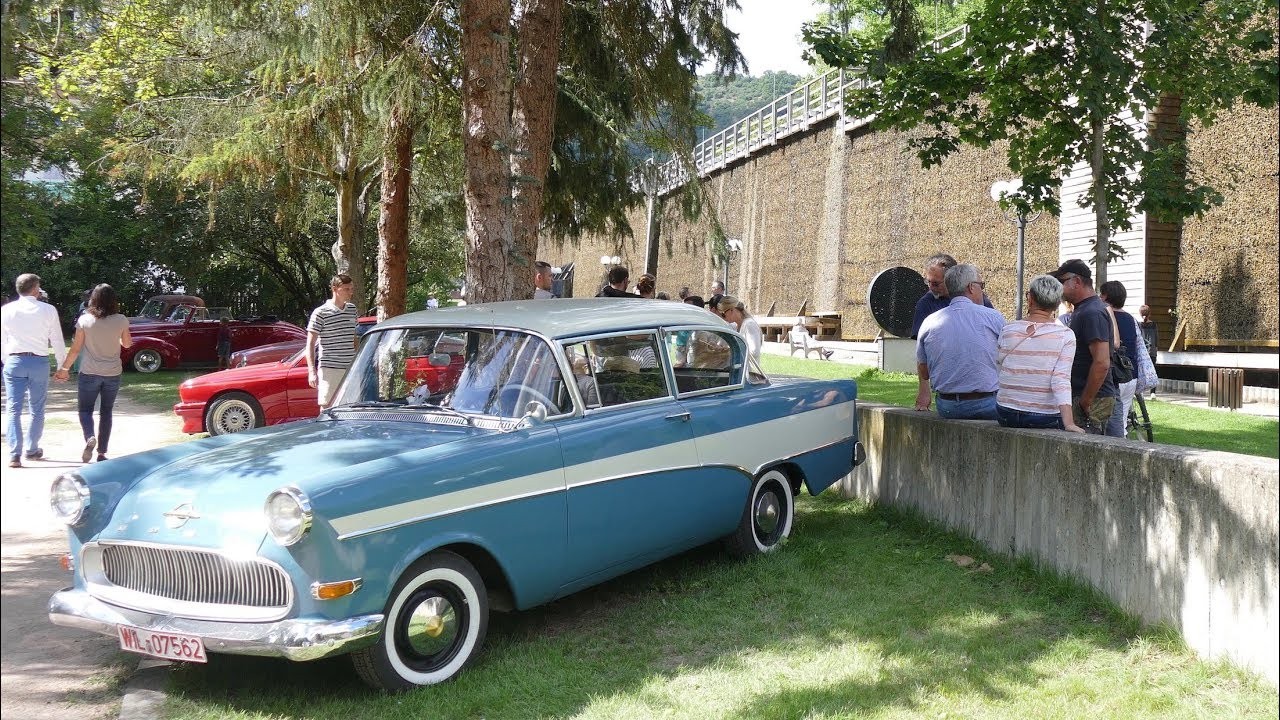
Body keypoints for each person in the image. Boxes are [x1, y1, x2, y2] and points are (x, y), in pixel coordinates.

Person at [914, 263, 1006, 420]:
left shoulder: (929, 322)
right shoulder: (993, 317)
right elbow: (1009, 360)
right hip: (988, 403)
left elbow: (924, 371)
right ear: (971, 287)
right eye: (981, 285)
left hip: (948, 406)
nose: (982, 290)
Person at [54, 284, 133, 462]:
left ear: (93, 299)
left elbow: (75, 349)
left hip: (89, 372)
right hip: (112, 373)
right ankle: (102, 452)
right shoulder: (121, 319)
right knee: (106, 411)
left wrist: (64, 370)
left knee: (85, 410)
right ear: (113, 300)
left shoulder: (85, 320)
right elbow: (127, 344)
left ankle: (90, 436)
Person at [995, 275, 1084, 432]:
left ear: (1030, 299)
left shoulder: (1007, 330)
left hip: (1006, 412)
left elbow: (999, 367)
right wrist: (1069, 423)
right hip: (1043, 415)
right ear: (1057, 304)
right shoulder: (1065, 335)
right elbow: (1060, 379)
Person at [2, 273, 67, 468]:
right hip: (38, 361)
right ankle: (32, 449)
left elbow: (2, 339)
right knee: (37, 407)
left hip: (14, 360)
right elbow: (56, 339)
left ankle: (15, 453)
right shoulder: (48, 310)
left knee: (13, 408)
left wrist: (6, 360)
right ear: (35, 289)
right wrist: (62, 365)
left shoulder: (6, 310)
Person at [1052, 259, 1120, 436]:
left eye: (1061, 282)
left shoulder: (1092, 312)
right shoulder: (1084, 309)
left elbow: (1102, 362)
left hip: (1093, 398)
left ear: (1077, 281)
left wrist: (1085, 401)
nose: (1058, 287)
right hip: (1088, 395)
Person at [910, 253, 995, 339]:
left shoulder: (975, 296)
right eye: (928, 282)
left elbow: (993, 325)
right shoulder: (925, 304)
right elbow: (919, 343)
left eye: (936, 284)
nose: (931, 287)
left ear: (950, 279)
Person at [306, 274, 359, 410]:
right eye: (346, 289)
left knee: (351, 406)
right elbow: (310, 344)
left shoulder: (352, 310)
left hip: (350, 367)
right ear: (335, 289)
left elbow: (354, 338)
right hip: (330, 368)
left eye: (351, 289)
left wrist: (358, 361)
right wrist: (312, 371)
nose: (350, 292)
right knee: (328, 407)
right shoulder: (320, 313)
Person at [1100, 280, 1140, 433]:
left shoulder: (1103, 315)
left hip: (1114, 375)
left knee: (1109, 423)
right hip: (1130, 374)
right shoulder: (1131, 319)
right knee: (1121, 421)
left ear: (1105, 296)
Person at [717, 295, 762, 363]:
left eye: (723, 314)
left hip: (748, 371)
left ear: (731, 310)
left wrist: (730, 351)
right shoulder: (735, 326)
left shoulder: (749, 324)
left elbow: (754, 352)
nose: (723, 318)